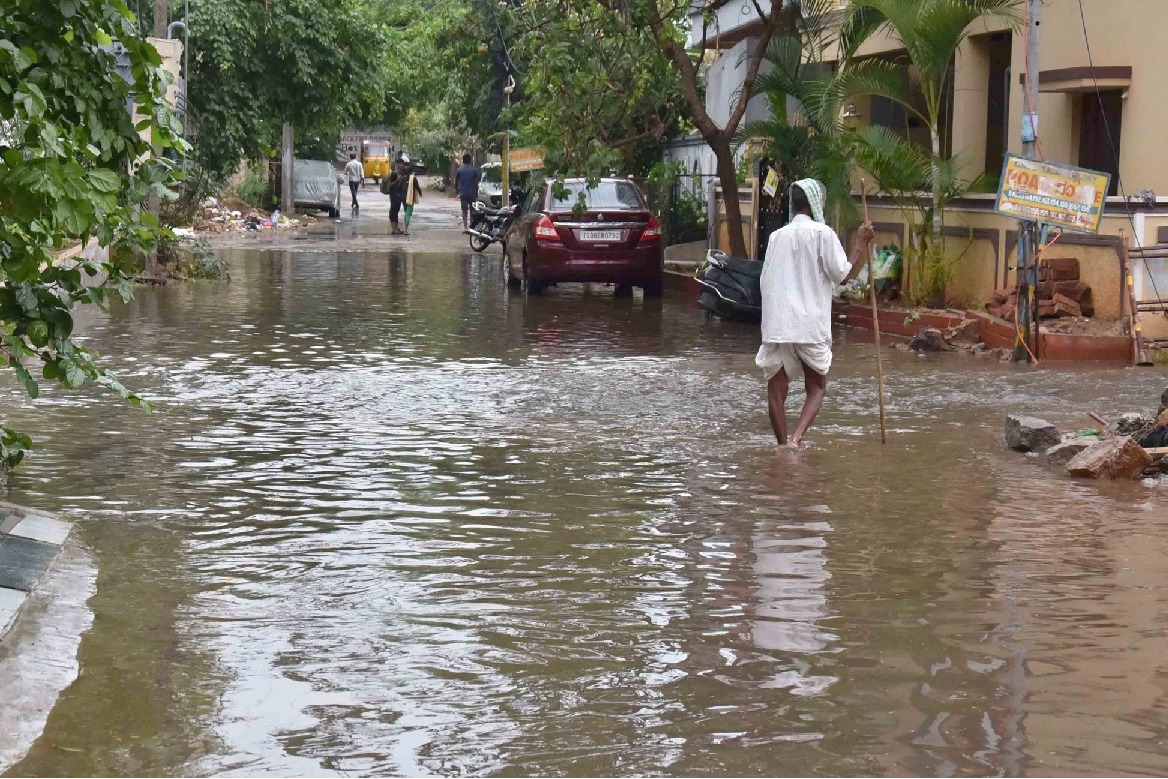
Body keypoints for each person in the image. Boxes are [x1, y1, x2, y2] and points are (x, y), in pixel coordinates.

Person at [756, 178, 874, 449]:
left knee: (775, 389)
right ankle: (796, 440)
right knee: (817, 387)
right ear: (817, 203)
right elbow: (842, 276)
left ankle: (782, 446)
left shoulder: (776, 237)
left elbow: (765, 280)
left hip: (778, 322)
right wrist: (860, 244)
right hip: (810, 323)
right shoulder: (823, 234)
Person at [454, 154, 481, 232]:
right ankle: (472, 227)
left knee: (464, 210)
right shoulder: (474, 170)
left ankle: (465, 228)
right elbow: (476, 182)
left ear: (463, 160)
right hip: (472, 193)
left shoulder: (459, 170)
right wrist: (476, 191)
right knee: (473, 210)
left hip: (463, 193)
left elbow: (456, 182)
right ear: (470, 160)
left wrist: (457, 191)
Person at [401, 162, 423, 236]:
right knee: (408, 213)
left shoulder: (402, 178)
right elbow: (417, 187)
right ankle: (405, 230)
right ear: (410, 172)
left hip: (403, 198)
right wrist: (420, 193)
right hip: (410, 198)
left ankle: (405, 228)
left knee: (406, 212)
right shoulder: (413, 178)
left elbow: (399, 187)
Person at [385, 164, 404, 235]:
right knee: (393, 213)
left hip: (396, 197)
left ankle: (395, 228)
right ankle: (394, 229)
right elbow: (391, 185)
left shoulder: (399, 176)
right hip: (395, 197)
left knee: (394, 213)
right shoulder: (395, 175)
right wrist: (397, 180)